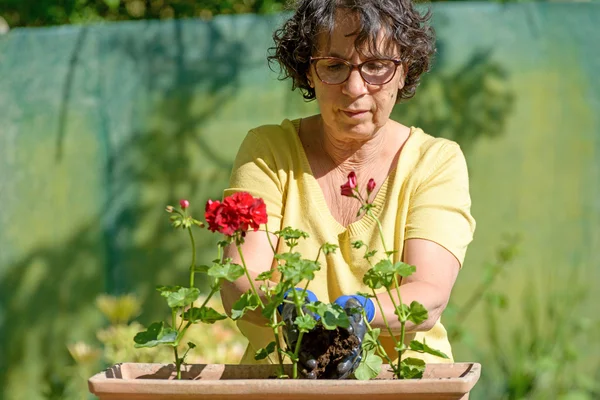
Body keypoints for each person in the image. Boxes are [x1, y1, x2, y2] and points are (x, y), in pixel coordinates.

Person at [220, 0, 476, 378]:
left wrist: (363, 312)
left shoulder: (435, 162)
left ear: (405, 71)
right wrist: (285, 306)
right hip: (284, 383)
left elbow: (429, 292)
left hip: (406, 384)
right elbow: (239, 279)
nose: (355, 87)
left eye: (376, 66)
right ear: (309, 72)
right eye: (334, 66)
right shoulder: (267, 153)